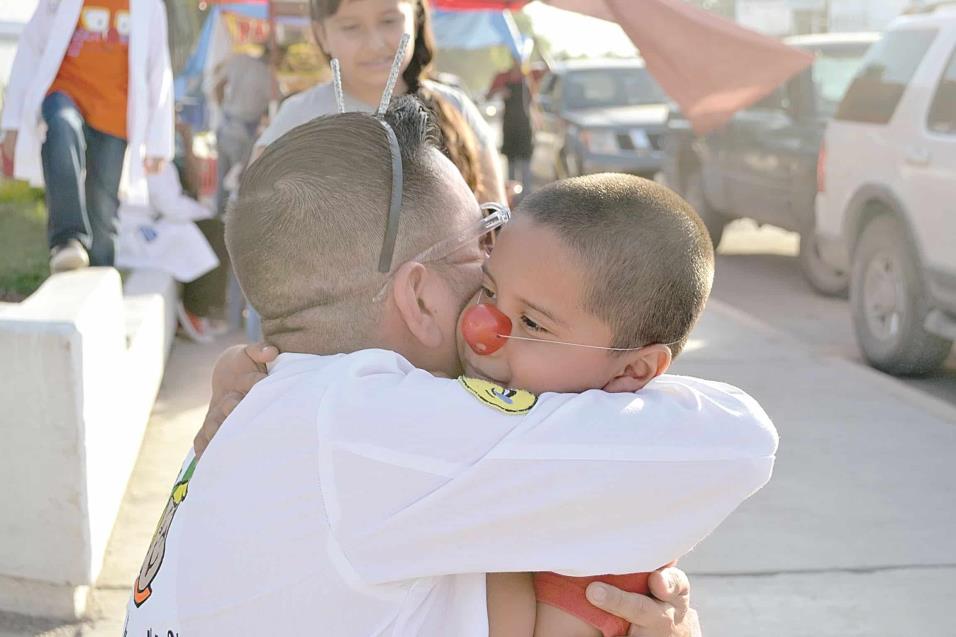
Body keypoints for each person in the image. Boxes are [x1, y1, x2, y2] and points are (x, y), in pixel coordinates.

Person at [124, 99, 776, 635]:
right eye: (480, 248)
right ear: (419, 296)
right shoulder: (369, 424)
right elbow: (738, 443)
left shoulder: (287, 403)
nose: (496, 265)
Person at [251, 0, 506, 204]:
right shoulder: (296, 118)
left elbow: (494, 224)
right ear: (321, 34)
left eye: (388, 21)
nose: (374, 43)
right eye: (351, 27)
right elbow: (255, 220)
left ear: (416, 17)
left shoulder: (455, 108)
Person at [0, 0, 174, 272]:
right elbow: (31, 49)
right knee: (61, 127)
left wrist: (159, 143)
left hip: (114, 117)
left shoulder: (148, 5)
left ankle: (101, 275)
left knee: (103, 214)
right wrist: (11, 123)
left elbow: (158, 68)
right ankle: (67, 240)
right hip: (65, 95)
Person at [211, 45, 272, 217]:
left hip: (225, 125)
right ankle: (230, 225)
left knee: (222, 180)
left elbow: (218, 85)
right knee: (238, 182)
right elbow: (273, 109)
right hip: (242, 132)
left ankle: (218, 220)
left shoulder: (239, 60)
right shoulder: (267, 76)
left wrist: (222, 108)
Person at [487, 60, 534, 197]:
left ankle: (527, 200)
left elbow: (548, 69)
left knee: (525, 168)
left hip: (525, 127)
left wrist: (536, 46)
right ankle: (512, 202)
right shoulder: (502, 76)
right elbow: (488, 95)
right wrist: (500, 91)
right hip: (510, 127)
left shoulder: (529, 74)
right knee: (512, 168)